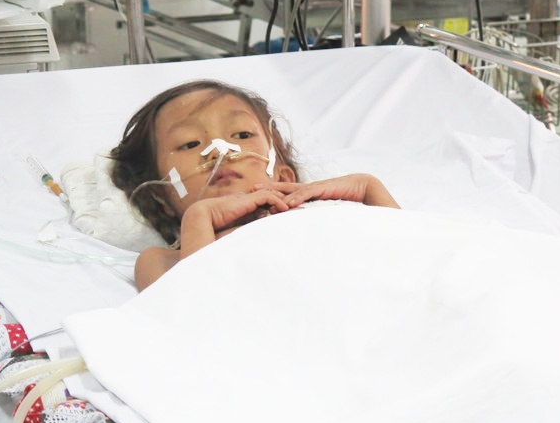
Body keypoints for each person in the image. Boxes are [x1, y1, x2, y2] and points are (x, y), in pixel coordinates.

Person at [110, 80, 399, 290]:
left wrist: (368, 188)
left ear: (283, 177)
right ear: (161, 196)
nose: (219, 150)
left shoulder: (326, 215)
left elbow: (407, 257)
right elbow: (195, 313)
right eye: (190, 143)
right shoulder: (162, 261)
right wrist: (201, 218)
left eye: (242, 135)